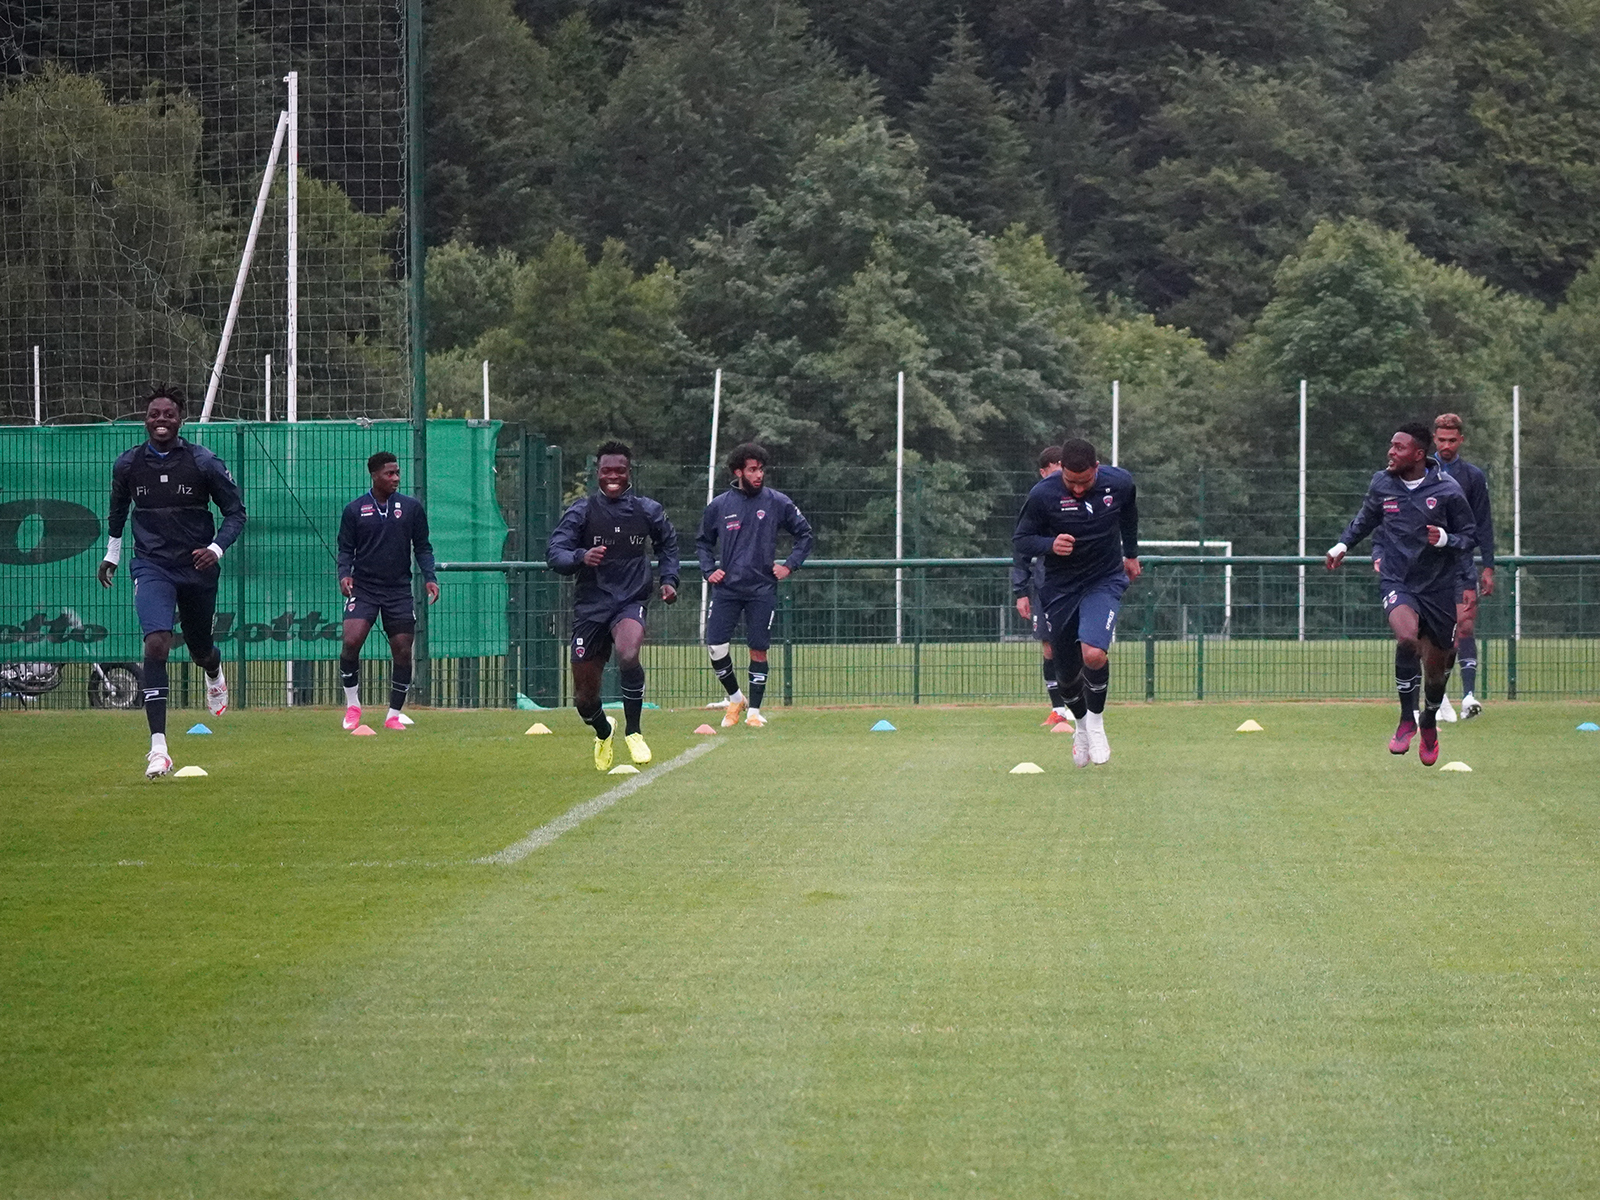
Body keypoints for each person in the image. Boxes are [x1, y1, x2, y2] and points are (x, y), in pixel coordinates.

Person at [97, 385, 246, 778]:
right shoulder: (128, 464)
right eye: (154, 414)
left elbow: (236, 513)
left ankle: (213, 670)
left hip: (197, 567)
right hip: (152, 566)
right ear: (145, 420)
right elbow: (117, 510)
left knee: (199, 649)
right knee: (156, 642)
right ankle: (159, 748)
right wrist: (112, 554)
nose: (160, 420)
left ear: (181, 419)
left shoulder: (203, 462)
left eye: (168, 414)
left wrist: (215, 549)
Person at [1326, 423, 1475, 766]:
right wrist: (1342, 545)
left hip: (1438, 587)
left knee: (1436, 671)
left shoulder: (1448, 490)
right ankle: (1407, 718)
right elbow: (1365, 519)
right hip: (1398, 580)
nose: (1391, 452)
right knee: (1407, 638)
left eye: (1399, 447)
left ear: (1419, 454)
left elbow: (1469, 537)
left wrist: (1446, 539)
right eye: (1391, 446)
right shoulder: (1382, 483)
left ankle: (1429, 720)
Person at [547, 441, 680, 771]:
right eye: (607, 471)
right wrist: (581, 556)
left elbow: (668, 545)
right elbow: (555, 553)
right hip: (591, 607)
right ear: (598, 472)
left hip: (630, 600)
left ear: (629, 472)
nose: (613, 477)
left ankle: (634, 732)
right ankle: (604, 731)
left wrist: (669, 580)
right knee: (584, 700)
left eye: (620, 471)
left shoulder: (647, 510)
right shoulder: (582, 511)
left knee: (628, 653)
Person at [1012, 438, 1140, 767]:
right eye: (1071, 482)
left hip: (1103, 580)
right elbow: (1022, 540)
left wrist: (1131, 554)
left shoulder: (1120, 482)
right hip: (1059, 588)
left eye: (1085, 482)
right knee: (1066, 675)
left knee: (1093, 653)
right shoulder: (1043, 495)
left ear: (1097, 468)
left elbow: (1129, 514)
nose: (1078, 489)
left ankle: (1096, 725)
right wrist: (1050, 544)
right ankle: (1081, 728)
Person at [695, 442, 813, 728]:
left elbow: (805, 534)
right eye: (752, 470)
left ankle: (754, 712)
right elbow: (703, 542)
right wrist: (709, 570)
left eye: (761, 469)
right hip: (727, 590)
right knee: (716, 647)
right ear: (738, 472)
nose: (758, 475)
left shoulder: (777, 502)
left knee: (758, 648)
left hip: (762, 589)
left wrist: (789, 565)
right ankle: (736, 698)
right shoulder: (720, 505)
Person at [336, 452, 439, 732]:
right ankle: (353, 706)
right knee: (351, 641)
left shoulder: (411, 508)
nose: (395, 478)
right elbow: (345, 549)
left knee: (403, 650)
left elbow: (423, 547)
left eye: (397, 473)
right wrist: (344, 575)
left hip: (398, 590)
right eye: (389, 474)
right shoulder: (355, 510)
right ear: (374, 476)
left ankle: (393, 714)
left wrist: (430, 577)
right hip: (365, 588)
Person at [1432, 412, 1496, 720]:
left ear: (1461, 440)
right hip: (1428, 565)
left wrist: (1489, 566)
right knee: (1433, 631)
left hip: (1461, 562)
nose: (1446, 445)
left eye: (1452, 440)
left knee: (1466, 625)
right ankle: (1437, 695)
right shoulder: (1422, 472)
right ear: (1434, 439)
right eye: (1441, 440)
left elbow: (1483, 523)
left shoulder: (1473, 476)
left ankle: (1469, 696)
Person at [1011, 446, 1073, 729]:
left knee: (1080, 648)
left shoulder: (1081, 497)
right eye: (1055, 467)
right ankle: (1058, 709)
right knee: (1050, 648)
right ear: (1043, 471)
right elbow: (1021, 547)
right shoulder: (1038, 501)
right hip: (1046, 585)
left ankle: (1081, 708)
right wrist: (1020, 591)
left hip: (1078, 584)